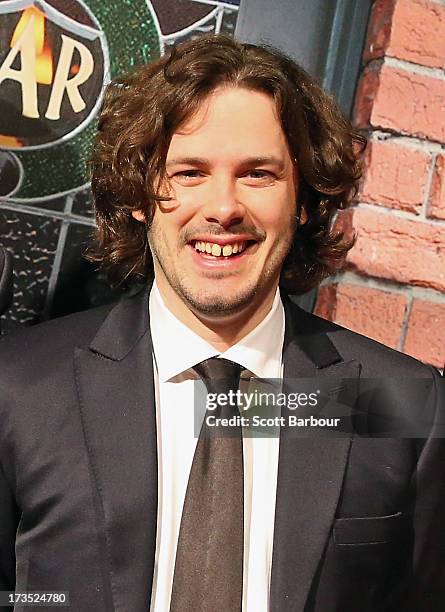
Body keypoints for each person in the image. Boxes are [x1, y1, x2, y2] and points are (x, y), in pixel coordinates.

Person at [0, 34, 444, 612]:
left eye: (258, 174)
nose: (223, 207)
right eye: (189, 172)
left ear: (304, 199)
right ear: (141, 194)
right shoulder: (19, 389)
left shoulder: (398, 401)